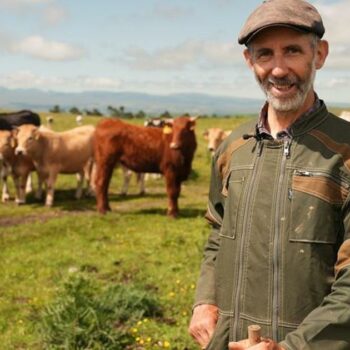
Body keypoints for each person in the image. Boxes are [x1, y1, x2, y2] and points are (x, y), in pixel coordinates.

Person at [188, 0, 350, 349]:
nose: (278, 69)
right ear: (250, 61)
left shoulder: (345, 152)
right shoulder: (234, 148)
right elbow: (218, 233)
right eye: (264, 54)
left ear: (319, 55)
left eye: (292, 51)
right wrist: (204, 301)